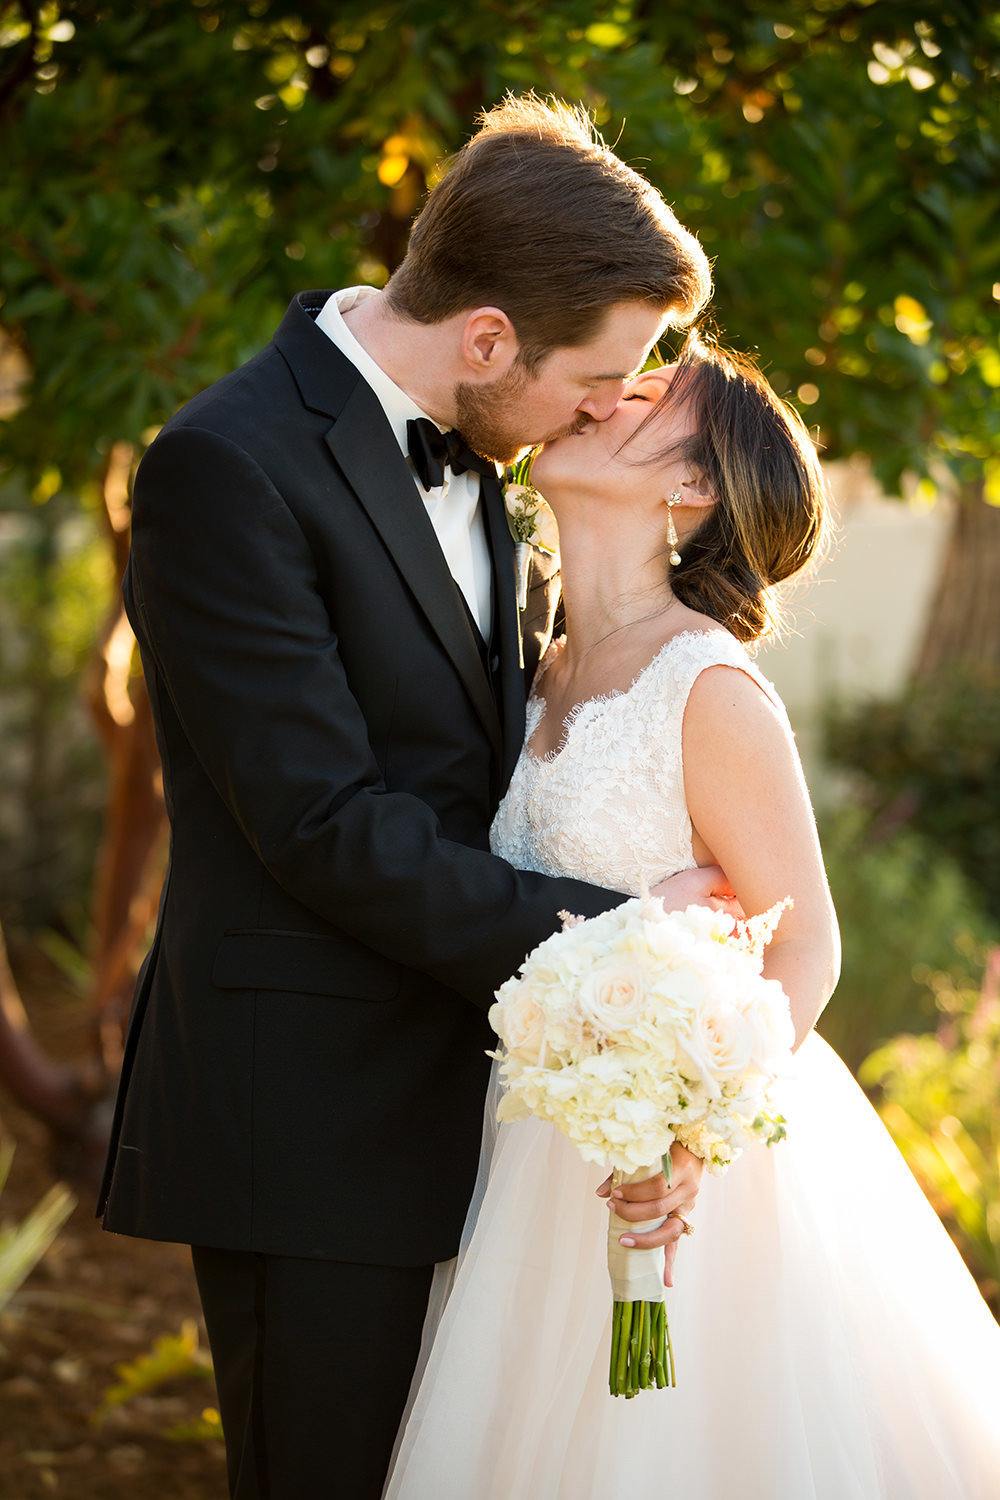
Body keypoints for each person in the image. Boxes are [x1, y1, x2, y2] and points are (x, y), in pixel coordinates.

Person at [96, 96, 728, 1500]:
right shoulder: (227, 467)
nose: (616, 405)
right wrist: (620, 937)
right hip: (309, 1116)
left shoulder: (492, 455)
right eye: (603, 374)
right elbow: (319, 822)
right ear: (488, 336)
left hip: (483, 1106)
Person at [383, 336, 1000, 1499]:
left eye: (654, 394)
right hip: (532, 1148)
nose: (612, 394)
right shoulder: (536, 662)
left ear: (692, 487)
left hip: (682, 1174)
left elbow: (804, 944)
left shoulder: (705, 687)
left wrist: (683, 1138)